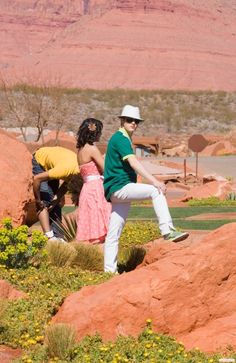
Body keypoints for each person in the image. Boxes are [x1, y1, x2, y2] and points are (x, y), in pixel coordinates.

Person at [103, 105, 189, 273]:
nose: (133, 123)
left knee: (113, 233)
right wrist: (154, 181)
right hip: (120, 187)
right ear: (122, 120)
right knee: (155, 191)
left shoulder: (123, 138)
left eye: (136, 121)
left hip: (116, 190)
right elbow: (134, 162)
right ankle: (168, 231)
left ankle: (109, 272)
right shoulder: (120, 138)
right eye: (129, 120)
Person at [32, 146, 79, 241]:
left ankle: (58, 237)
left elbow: (66, 185)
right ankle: (49, 236)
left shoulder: (78, 175)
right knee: (44, 200)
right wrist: (37, 200)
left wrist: (56, 200)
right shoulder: (63, 171)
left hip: (56, 162)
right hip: (40, 160)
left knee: (54, 202)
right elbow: (37, 179)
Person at [76, 118, 111, 243]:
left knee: (92, 220)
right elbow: (106, 169)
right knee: (102, 219)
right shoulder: (92, 149)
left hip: (86, 189)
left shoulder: (80, 151)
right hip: (96, 188)